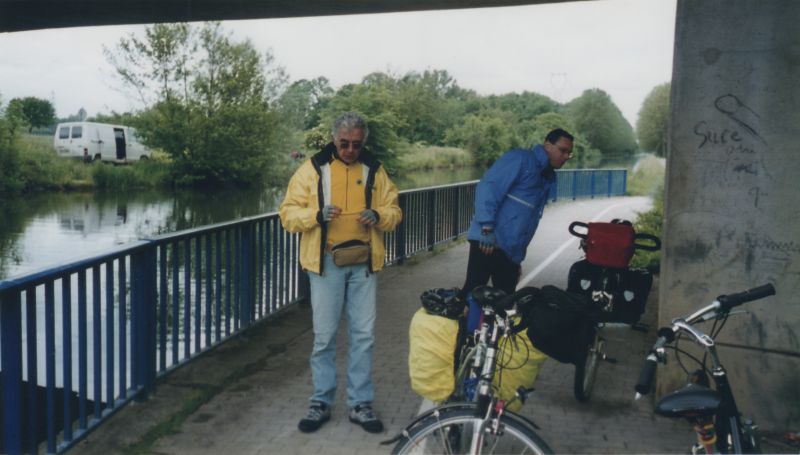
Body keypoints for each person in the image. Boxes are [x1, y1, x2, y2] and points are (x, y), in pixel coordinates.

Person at [279, 112, 402, 434]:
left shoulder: (374, 169)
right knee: (324, 336)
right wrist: (316, 215)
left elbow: (394, 211)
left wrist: (378, 214)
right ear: (334, 140)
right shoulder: (312, 170)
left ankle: (360, 404)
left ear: (363, 142)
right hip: (326, 264)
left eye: (356, 145)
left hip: (363, 264)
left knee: (363, 335)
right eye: (344, 144)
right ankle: (320, 401)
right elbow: (287, 215)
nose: (349, 150)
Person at [458, 128, 574, 300]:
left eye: (569, 153)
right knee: (473, 294)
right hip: (488, 240)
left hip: (509, 249)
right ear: (547, 145)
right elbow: (488, 187)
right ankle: (459, 327)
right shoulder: (521, 159)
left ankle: (481, 326)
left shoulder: (547, 176)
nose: (565, 156)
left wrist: (517, 258)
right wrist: (487, 227)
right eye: (562, 150)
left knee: (505, 300)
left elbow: (527, 219)